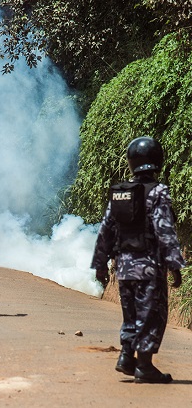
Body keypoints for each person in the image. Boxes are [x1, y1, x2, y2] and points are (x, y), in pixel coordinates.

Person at [91, 136, 185, 384]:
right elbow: (164, 230)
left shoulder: (120, 193)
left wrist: (100, 264)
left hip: (123, 268)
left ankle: (126, 356)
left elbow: (106, 230)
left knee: (131, 314)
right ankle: (144, 366)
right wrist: (174, 265)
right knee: (151, 315)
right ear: (157, 161)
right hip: (149, 268)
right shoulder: (158, 192)